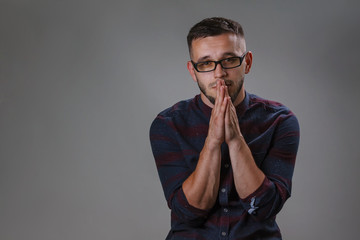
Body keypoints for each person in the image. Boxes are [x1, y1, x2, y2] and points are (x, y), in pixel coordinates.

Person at [149, 17, 300, 240]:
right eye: (206, 63)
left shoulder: (280, 121)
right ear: (193, 71)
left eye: (229, 60)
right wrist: (212, 142)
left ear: (247, 62)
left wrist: (236, 140)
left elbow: (264, 208)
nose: (219, 73)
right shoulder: (168, 124)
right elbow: (187, 213)